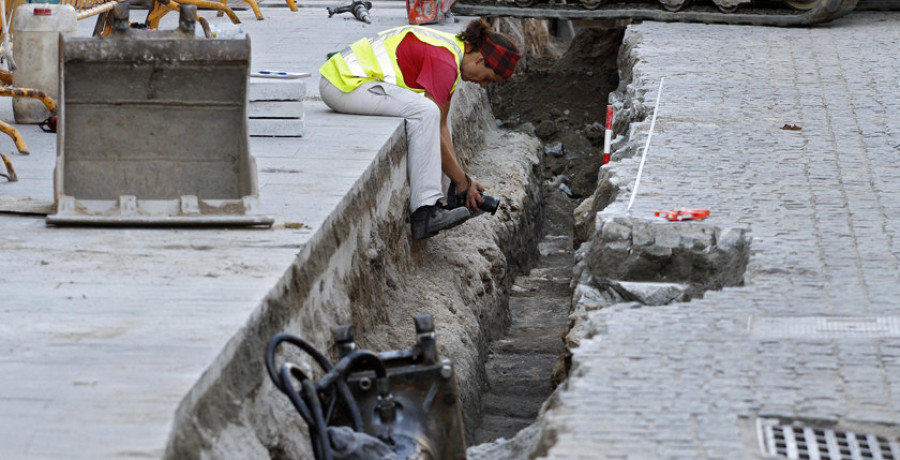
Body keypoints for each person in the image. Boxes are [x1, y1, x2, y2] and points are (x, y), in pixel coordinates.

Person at [318, 19, 521, 240]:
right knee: (425, 112)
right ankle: (425, 211)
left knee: (436, 116)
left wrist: (462, 182)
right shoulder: (445, 61)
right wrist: (463, 181)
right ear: (481, 59)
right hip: (342, 85)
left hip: (352, 82)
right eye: (488, 78)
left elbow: (442, 127)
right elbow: (432, 127)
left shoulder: (452, 54)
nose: (483, 85)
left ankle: (447, 199)